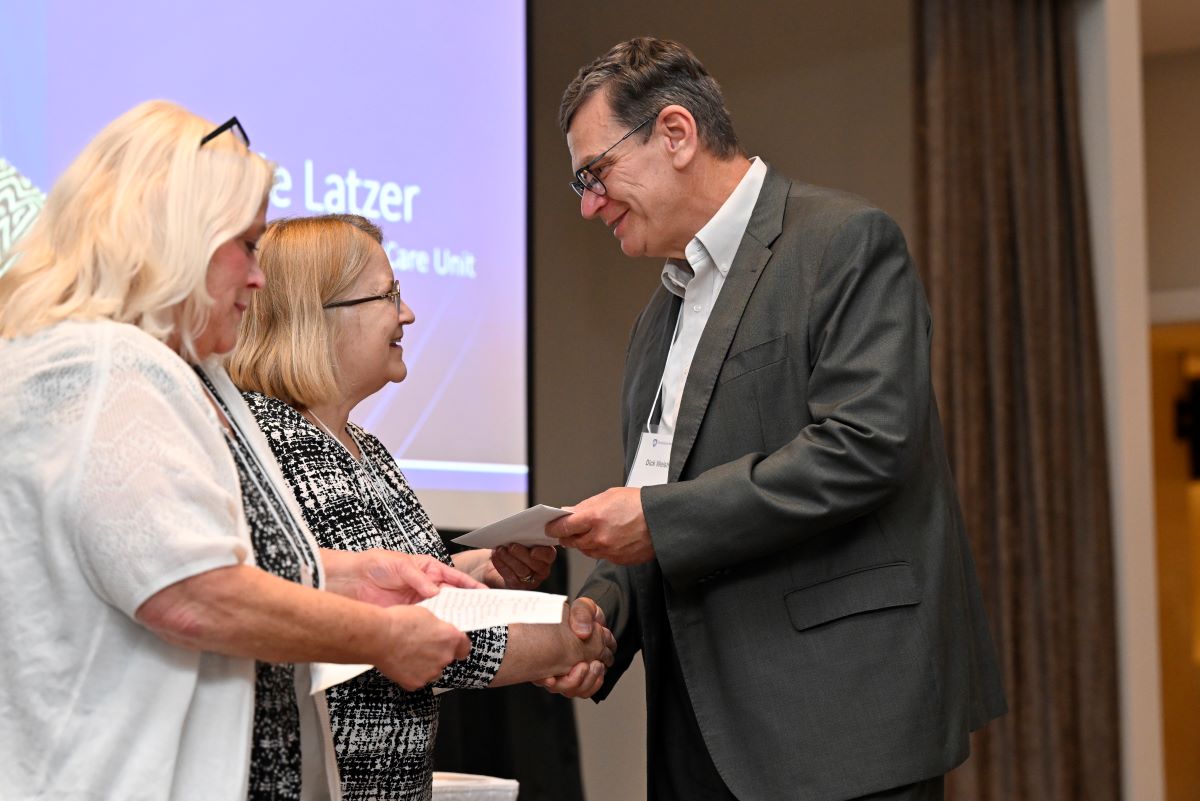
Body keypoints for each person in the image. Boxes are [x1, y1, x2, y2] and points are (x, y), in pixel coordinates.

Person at [543, 37, 1008, 801]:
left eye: (595, 173)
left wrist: (655, 519)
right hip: (695, 735)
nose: (590, 202)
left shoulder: (845, 244)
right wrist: (600, 613)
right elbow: (656, 498)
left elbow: (864, 448)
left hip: (838, 728)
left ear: (676, 133)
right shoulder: (655, 321)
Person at [0, 100, 495, 801]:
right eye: (247, 245)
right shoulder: (106, 367)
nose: (259, 278)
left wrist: (356, 574)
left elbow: (167, 555)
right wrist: (381, 636)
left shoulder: (136, 365)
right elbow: (192, 595)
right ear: (178, 238)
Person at [227, 213, 615, 801]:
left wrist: (478, 570)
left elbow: (400, 586)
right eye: (389, 296)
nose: (407, 314)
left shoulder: (369, 451)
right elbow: (416, 632)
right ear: (319, 316)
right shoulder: (277, 445)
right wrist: (571, 639)